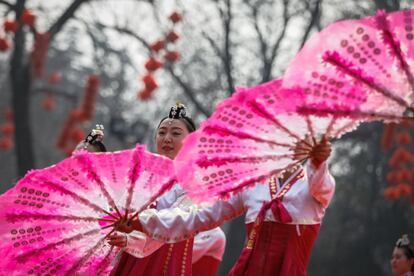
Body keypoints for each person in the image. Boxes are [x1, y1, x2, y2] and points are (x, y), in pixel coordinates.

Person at [115, 134, 335, 276]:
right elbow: (198, 217)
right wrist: (141, 222)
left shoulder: (314, 188)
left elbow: (320, 182)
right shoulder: (252, 186)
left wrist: (318, 161)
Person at [108, 103, 226, 276]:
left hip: (166, 256)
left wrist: (131, 237)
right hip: (130, 252)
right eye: (162, 133)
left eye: (176, 133)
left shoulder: (194, 182)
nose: (167, 138)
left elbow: (174, 223)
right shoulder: (142, 176)